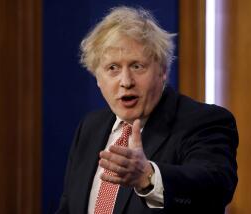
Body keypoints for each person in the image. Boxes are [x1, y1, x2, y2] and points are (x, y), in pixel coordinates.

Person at [57, 6, 238, 214]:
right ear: (98, 78)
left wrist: (147, 177)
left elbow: (215, 188)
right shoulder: (90, 127)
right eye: (112, 68)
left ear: (163, 71)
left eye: (137, 66)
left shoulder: (204, 121)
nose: (125, 82)